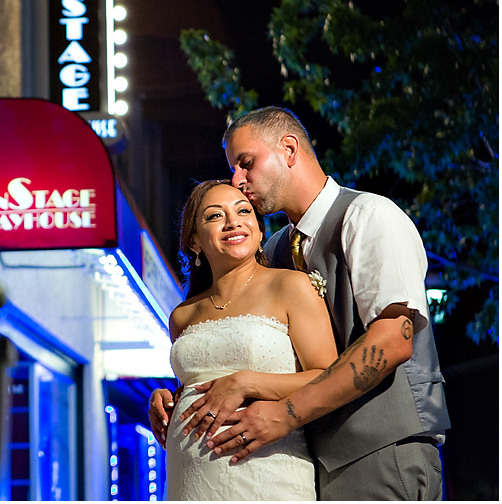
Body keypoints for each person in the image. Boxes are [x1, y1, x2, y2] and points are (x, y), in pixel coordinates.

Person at [151, 106, 450, 500]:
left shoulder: (368, 215)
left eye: (246, 163)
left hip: (381, 448)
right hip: (310, 457)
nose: (238, 181)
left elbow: (393, 340)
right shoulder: (274, 249)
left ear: (289, 149)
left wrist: (283, 412)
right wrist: (180, 394)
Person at [161, 179, 338, 500]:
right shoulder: (182, 315)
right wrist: (166, 400)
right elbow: (201, 389)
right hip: (190, 480)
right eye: (215, 216)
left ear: (259, 231)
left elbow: (328, 376)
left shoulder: (291, 286)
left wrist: (247, 382)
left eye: (243, 211)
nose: (233, 222)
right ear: (194, 242)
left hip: (266, 470)